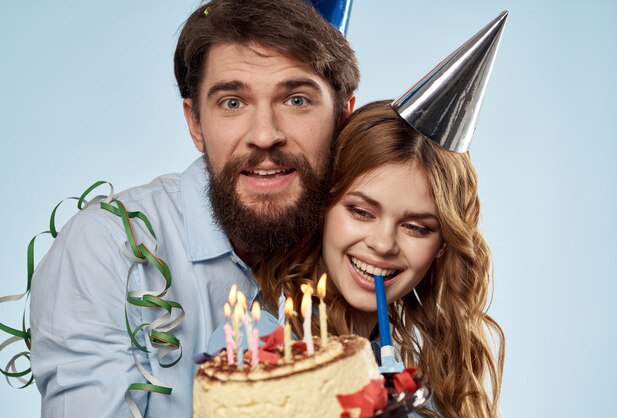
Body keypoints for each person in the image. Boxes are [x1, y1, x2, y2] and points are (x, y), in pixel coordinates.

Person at [27, 0, 358, 417]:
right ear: (196, 123)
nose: (265, 135)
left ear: (344, 117)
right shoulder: (106, 251)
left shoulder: (372, 250)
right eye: (233, 102)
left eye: (296, 100)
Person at [256, 100, 505, 418]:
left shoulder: (428, 399)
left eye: (416, 227)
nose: (383, 244)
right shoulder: (259, 346)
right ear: (323, 206)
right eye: (361, 212)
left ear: (443, 244)